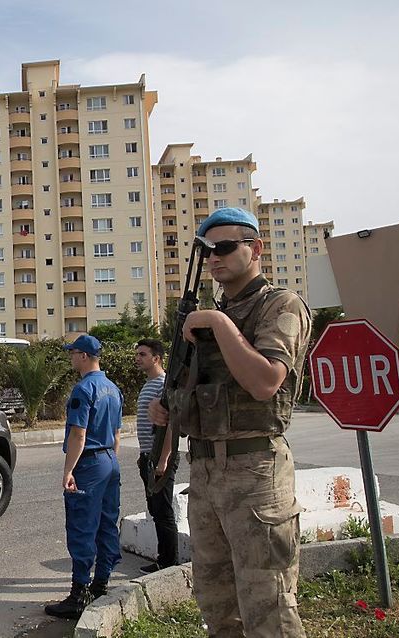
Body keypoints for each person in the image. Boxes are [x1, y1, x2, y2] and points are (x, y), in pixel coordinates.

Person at [149, 207, 311, 637]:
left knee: (269, 607)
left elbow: (264, 382)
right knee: (218, 606)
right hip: (205, 472)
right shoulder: (203, 317)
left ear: (255, 249)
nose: (214, 257)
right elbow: (188, 394)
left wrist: (219, 323)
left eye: (224, 247)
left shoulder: (279, 304)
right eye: (206, 251)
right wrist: (166, 416)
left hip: (256, 469)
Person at [45, 334, 123, 621]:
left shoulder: (83, 389)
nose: (70, 357)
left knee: (82, 526)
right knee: (106, 523)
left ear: (85, 356)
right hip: (109, 460)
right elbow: (116, 434)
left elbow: (79, 434)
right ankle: (101, 584)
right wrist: (109, 461)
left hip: (89, 463)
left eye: (73, 353)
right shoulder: (113, 389)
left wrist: (68, 471)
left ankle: (79, 595)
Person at [134, 338, 177, 574]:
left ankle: (169, 562)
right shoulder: (150, 384)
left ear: (156, 358)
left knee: (163, 510)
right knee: (156, 509)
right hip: (149, 456)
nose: (137, 359)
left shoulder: (163, 384)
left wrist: (163, 459)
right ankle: (164, 559)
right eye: (137, 354)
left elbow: (171, 424)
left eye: (143, 354)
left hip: (160, 456)